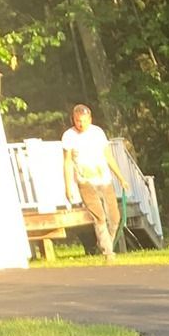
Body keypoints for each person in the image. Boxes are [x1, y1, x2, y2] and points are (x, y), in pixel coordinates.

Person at [61, 105, 128, 261]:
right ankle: (108, 253)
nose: (81, 124)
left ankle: (106, 244)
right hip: (85, 181)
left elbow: (108, 157)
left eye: (84, 121)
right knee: (99, 217)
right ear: (73, 119)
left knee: (114, 218)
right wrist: (68, 186)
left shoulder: (97, 133)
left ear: (90, 119)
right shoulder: (69, 136)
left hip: (104, 179)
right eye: (78, 121)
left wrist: (121, 178)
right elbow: (67, 162)